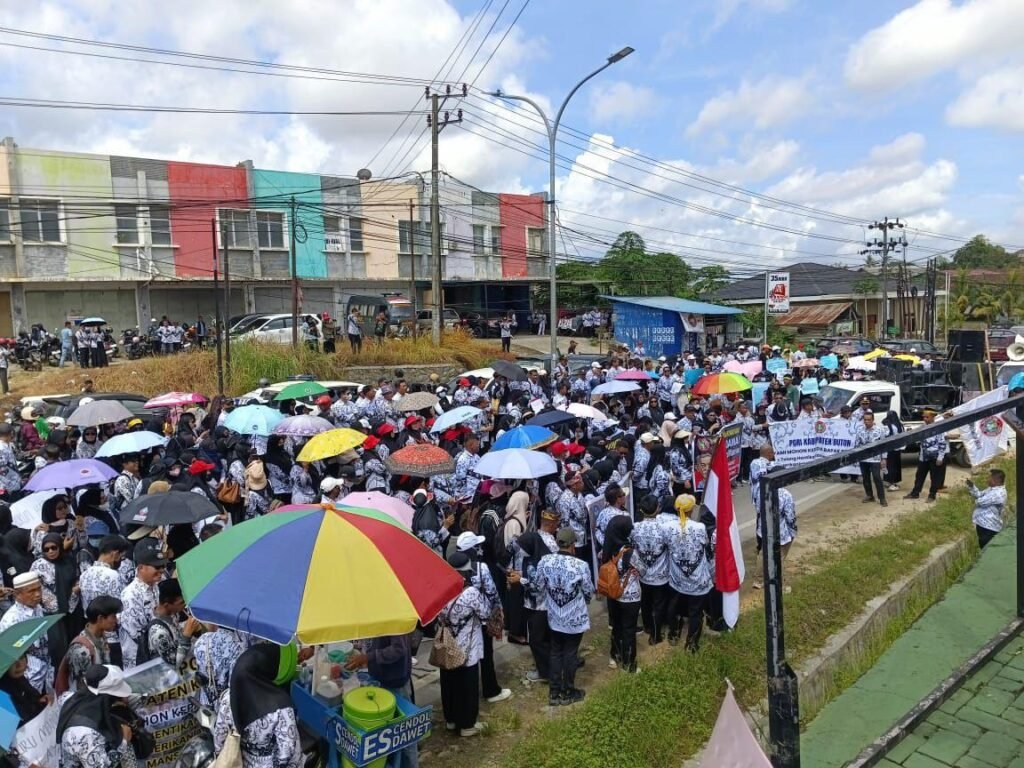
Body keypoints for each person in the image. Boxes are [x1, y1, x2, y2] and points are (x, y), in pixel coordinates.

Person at [535, 527, 593, 706]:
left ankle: (554, 691)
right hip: (574, 617)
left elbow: (538, 586)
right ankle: (568, 690)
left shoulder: (545, 561)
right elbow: (588, 591)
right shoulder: (580, 566)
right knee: (570, 653)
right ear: (573, 544)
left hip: (554, 616)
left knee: (555, 652)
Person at [437, 552, 491, 737]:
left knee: (449, 683)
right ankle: (467, 724)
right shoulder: (471, 593)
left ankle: (451, 720)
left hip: (447, 645)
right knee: (467, 685)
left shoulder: (440, 589)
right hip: (467, 647)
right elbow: (485, 614)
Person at [57, 665, 139, 768]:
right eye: (116, 697)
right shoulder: (84, 734)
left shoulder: (74, 699)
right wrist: (124, 742)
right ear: (105, 697)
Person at [668, 501, 713, 652]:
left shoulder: (669, 526)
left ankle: (673, 635)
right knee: (696, 613)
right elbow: (705, 544)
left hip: (677, 578)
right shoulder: (699, 527)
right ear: (691, 509)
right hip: (697, 579)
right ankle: (691, 644)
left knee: (675, 607)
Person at [32, 532, 82, 666]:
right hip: (52, 613)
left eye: (54, 547)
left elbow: (77, 579)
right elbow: (38, 587)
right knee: (59, 648)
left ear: (60, 547)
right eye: (46, 549)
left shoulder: (68, 560)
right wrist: (57, 607)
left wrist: (73, 593)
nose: (50, 551)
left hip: (72, 608)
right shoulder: (38, 565)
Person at [602, 515, 642, 673]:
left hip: (613, 594)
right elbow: (643, 571)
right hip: (630, 597)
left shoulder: (608, 549)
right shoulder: (630, 552)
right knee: (628, 630)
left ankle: (615, 655)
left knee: (616, 626)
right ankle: (629, 665)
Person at [630, 494, 672, 645]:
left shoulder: (635, 527)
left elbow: (632, 546)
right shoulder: (664, 528)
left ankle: (648, 626)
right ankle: (655, 634)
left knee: (646, 602)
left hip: (642, 573)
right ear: (657, 509)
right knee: (658, 604)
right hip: (660, 574)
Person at [0, 573, 50, 694]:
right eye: (31, 591)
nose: (37, 594)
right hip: (29, 683)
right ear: (17, 594)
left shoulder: (37, 608)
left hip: (46, 675)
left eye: (39, 589)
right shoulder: (12, 621)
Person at [60, 596, 122, 694]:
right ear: (100, 618)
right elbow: (83, 688)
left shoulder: (101, 636)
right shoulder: (81, 649)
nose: (116, 621)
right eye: (113, 616)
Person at [118, 548, 166, 668]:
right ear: (141, 568)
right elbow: (136, 633)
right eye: (157, 567)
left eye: (163, 566)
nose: (161, 570)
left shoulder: (156, 586)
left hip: (156, 652)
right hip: (140, 657)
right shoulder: (130, 594)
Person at [141, 579, 201, 668]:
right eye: (181, 603)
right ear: (166, 605)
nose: (185, 605)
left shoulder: (173, 614)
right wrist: (186, 636)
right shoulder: (158, 632)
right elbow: (174, 662)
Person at [904, 408, 947, 503]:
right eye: (924, 417)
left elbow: (942, 444)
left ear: (932, 417)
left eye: (927, 417)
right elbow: (918, 440)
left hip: (935, 457)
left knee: (934, 477)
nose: (925, 419)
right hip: (923, 457)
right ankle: (915, 493)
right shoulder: (922, 427)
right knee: (919, 475)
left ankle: (932, 495)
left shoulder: (938, 428)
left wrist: (940, 457)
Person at [853, 411, 888, 507]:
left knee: (877, 477)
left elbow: (884, 445)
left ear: (873, 420)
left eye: (869, 420)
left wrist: (884, 458)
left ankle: (882, 498)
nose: (866, 422)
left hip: (875, 458)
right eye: (865, 420)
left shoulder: (879, 430)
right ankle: (869, 495)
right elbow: (856, 444)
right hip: (863, 459)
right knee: (865, 478)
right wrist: (856, 456)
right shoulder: (860, 430)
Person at [969, 469, 1007, 549]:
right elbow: (979, 495)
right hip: (983, 525)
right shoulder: (991, 489)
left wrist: (977, 499)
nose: (987, 479)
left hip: (989, 528)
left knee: (986, 549)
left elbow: (980, 502)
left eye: (989, 477)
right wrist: (972, 487)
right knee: (982, 547)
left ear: (995, 480)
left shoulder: (999, 493)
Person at [882, 411, 904, 491]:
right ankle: (892, 483)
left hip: (888, 449)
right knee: (894, 466)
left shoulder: (887, 425)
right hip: (897, 448)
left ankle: (889, 482)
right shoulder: (899, 425)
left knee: (889, 466)